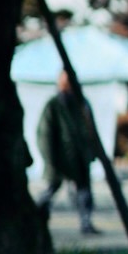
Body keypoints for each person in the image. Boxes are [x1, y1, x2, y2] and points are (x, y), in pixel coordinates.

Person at [36, 70, 101, 235]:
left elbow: (90, 129)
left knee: (84, 191)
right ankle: (36, 217)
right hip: (60, 157)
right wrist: (50, 160)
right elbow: (45, 134)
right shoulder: (54, 105)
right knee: (50, 189)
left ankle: (86, 222)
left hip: (79, 156)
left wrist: (93, 151)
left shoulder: (82, 103)